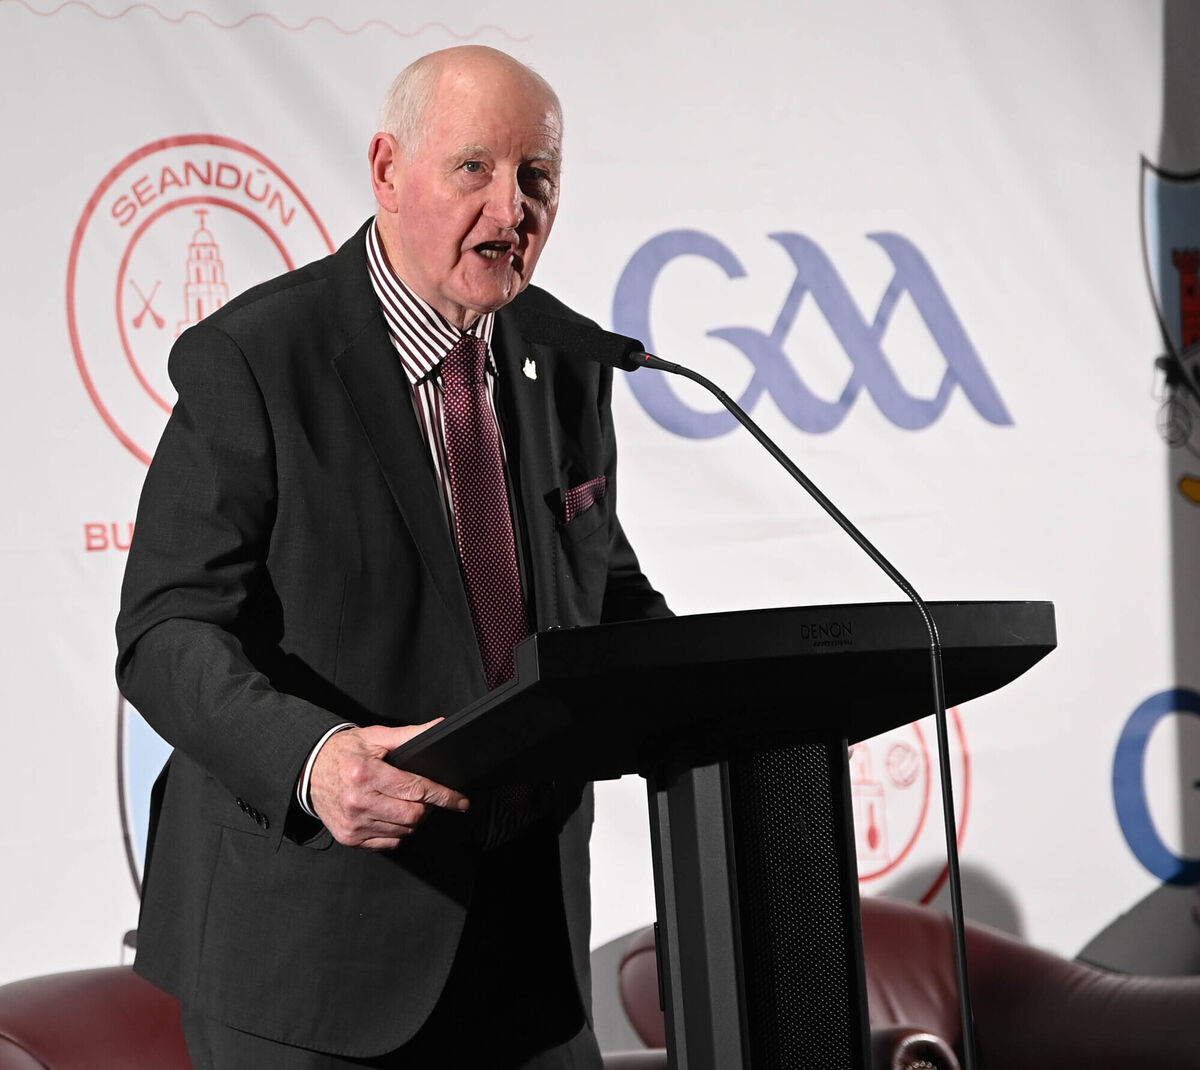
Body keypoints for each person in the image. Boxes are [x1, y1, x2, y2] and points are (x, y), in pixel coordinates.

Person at [116, 45, 669, 1069]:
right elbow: (164, 630)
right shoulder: (257, 357)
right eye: (475, 170)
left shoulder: (564, 361)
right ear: (386, 170)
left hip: (530, 953)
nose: (512, 212)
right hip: (310, 955)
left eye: (536, 178)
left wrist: (731, 696)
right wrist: (314, 760)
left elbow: (606, 590)